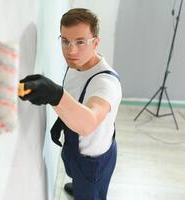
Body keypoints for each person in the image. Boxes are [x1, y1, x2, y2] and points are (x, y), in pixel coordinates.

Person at [19, 8, 122, 200]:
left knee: (89, 193)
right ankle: (78, 184)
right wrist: (62, 121)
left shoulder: (106, 84)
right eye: (65, 41)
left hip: (92, 163)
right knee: (75, 174)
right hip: (76, 150)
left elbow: (88, 123)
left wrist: (55, 95)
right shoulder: (77, 64)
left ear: (96, 43)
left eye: (80, 42)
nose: (71, 50)